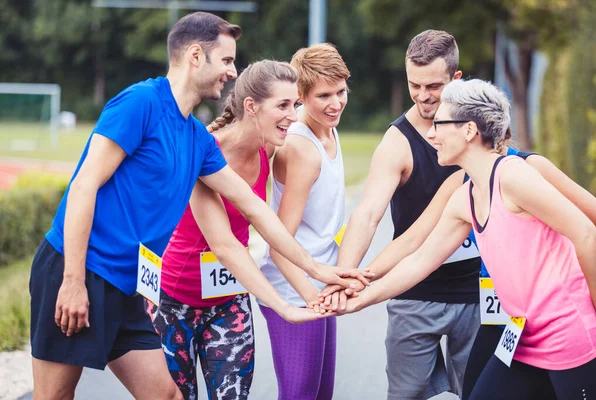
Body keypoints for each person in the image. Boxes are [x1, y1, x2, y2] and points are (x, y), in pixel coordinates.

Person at [28, 12, 363, 400]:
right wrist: (72, 281)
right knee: (54, 396)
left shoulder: (197, 139)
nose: (232, 71)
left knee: (167, 395)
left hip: (127, 286)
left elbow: (254, 213)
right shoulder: (141, 102)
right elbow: (84, 184)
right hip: (80, 268)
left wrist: (313, 275)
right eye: (226, 60)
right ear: (194, 56)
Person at [339, 78, 596, 399]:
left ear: (469, 130)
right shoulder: (466, 197)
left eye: (439, 124)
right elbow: (420, 260)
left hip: (569, 334)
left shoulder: (514, 175)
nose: (431, 134)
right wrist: (361, 298)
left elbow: (586, 232)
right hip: (523, 335)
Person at [151, 60, 330, 400]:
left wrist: (319, 274)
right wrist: (282, 306)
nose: (293, 115)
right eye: (282, 105)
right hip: (175, 302)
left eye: (295, 104)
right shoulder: (203, 150)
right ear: (251, 106)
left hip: (228, 301)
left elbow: (265, 219)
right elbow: (225, 245)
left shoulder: (268, 148)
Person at [327, 30, 479, 400]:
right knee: (406, 395)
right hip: (414, 292)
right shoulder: (398, 142)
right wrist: (342, 278)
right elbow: (367, 215)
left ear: (456, 79)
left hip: (478, 294)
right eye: (415, 85)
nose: (424, 95)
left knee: (481, 392)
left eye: (434, 86)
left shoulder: (481, 131)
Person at [258, 43, 350, 400]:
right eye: (323, 95)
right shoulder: (300, 147)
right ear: (300, 97)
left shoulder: (330, 129)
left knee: (320, 394)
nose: (336, 103)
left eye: (341, 91)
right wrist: (313, 298)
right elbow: (280, 244)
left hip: (318, 282)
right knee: (299, 395)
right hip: (294, 289)